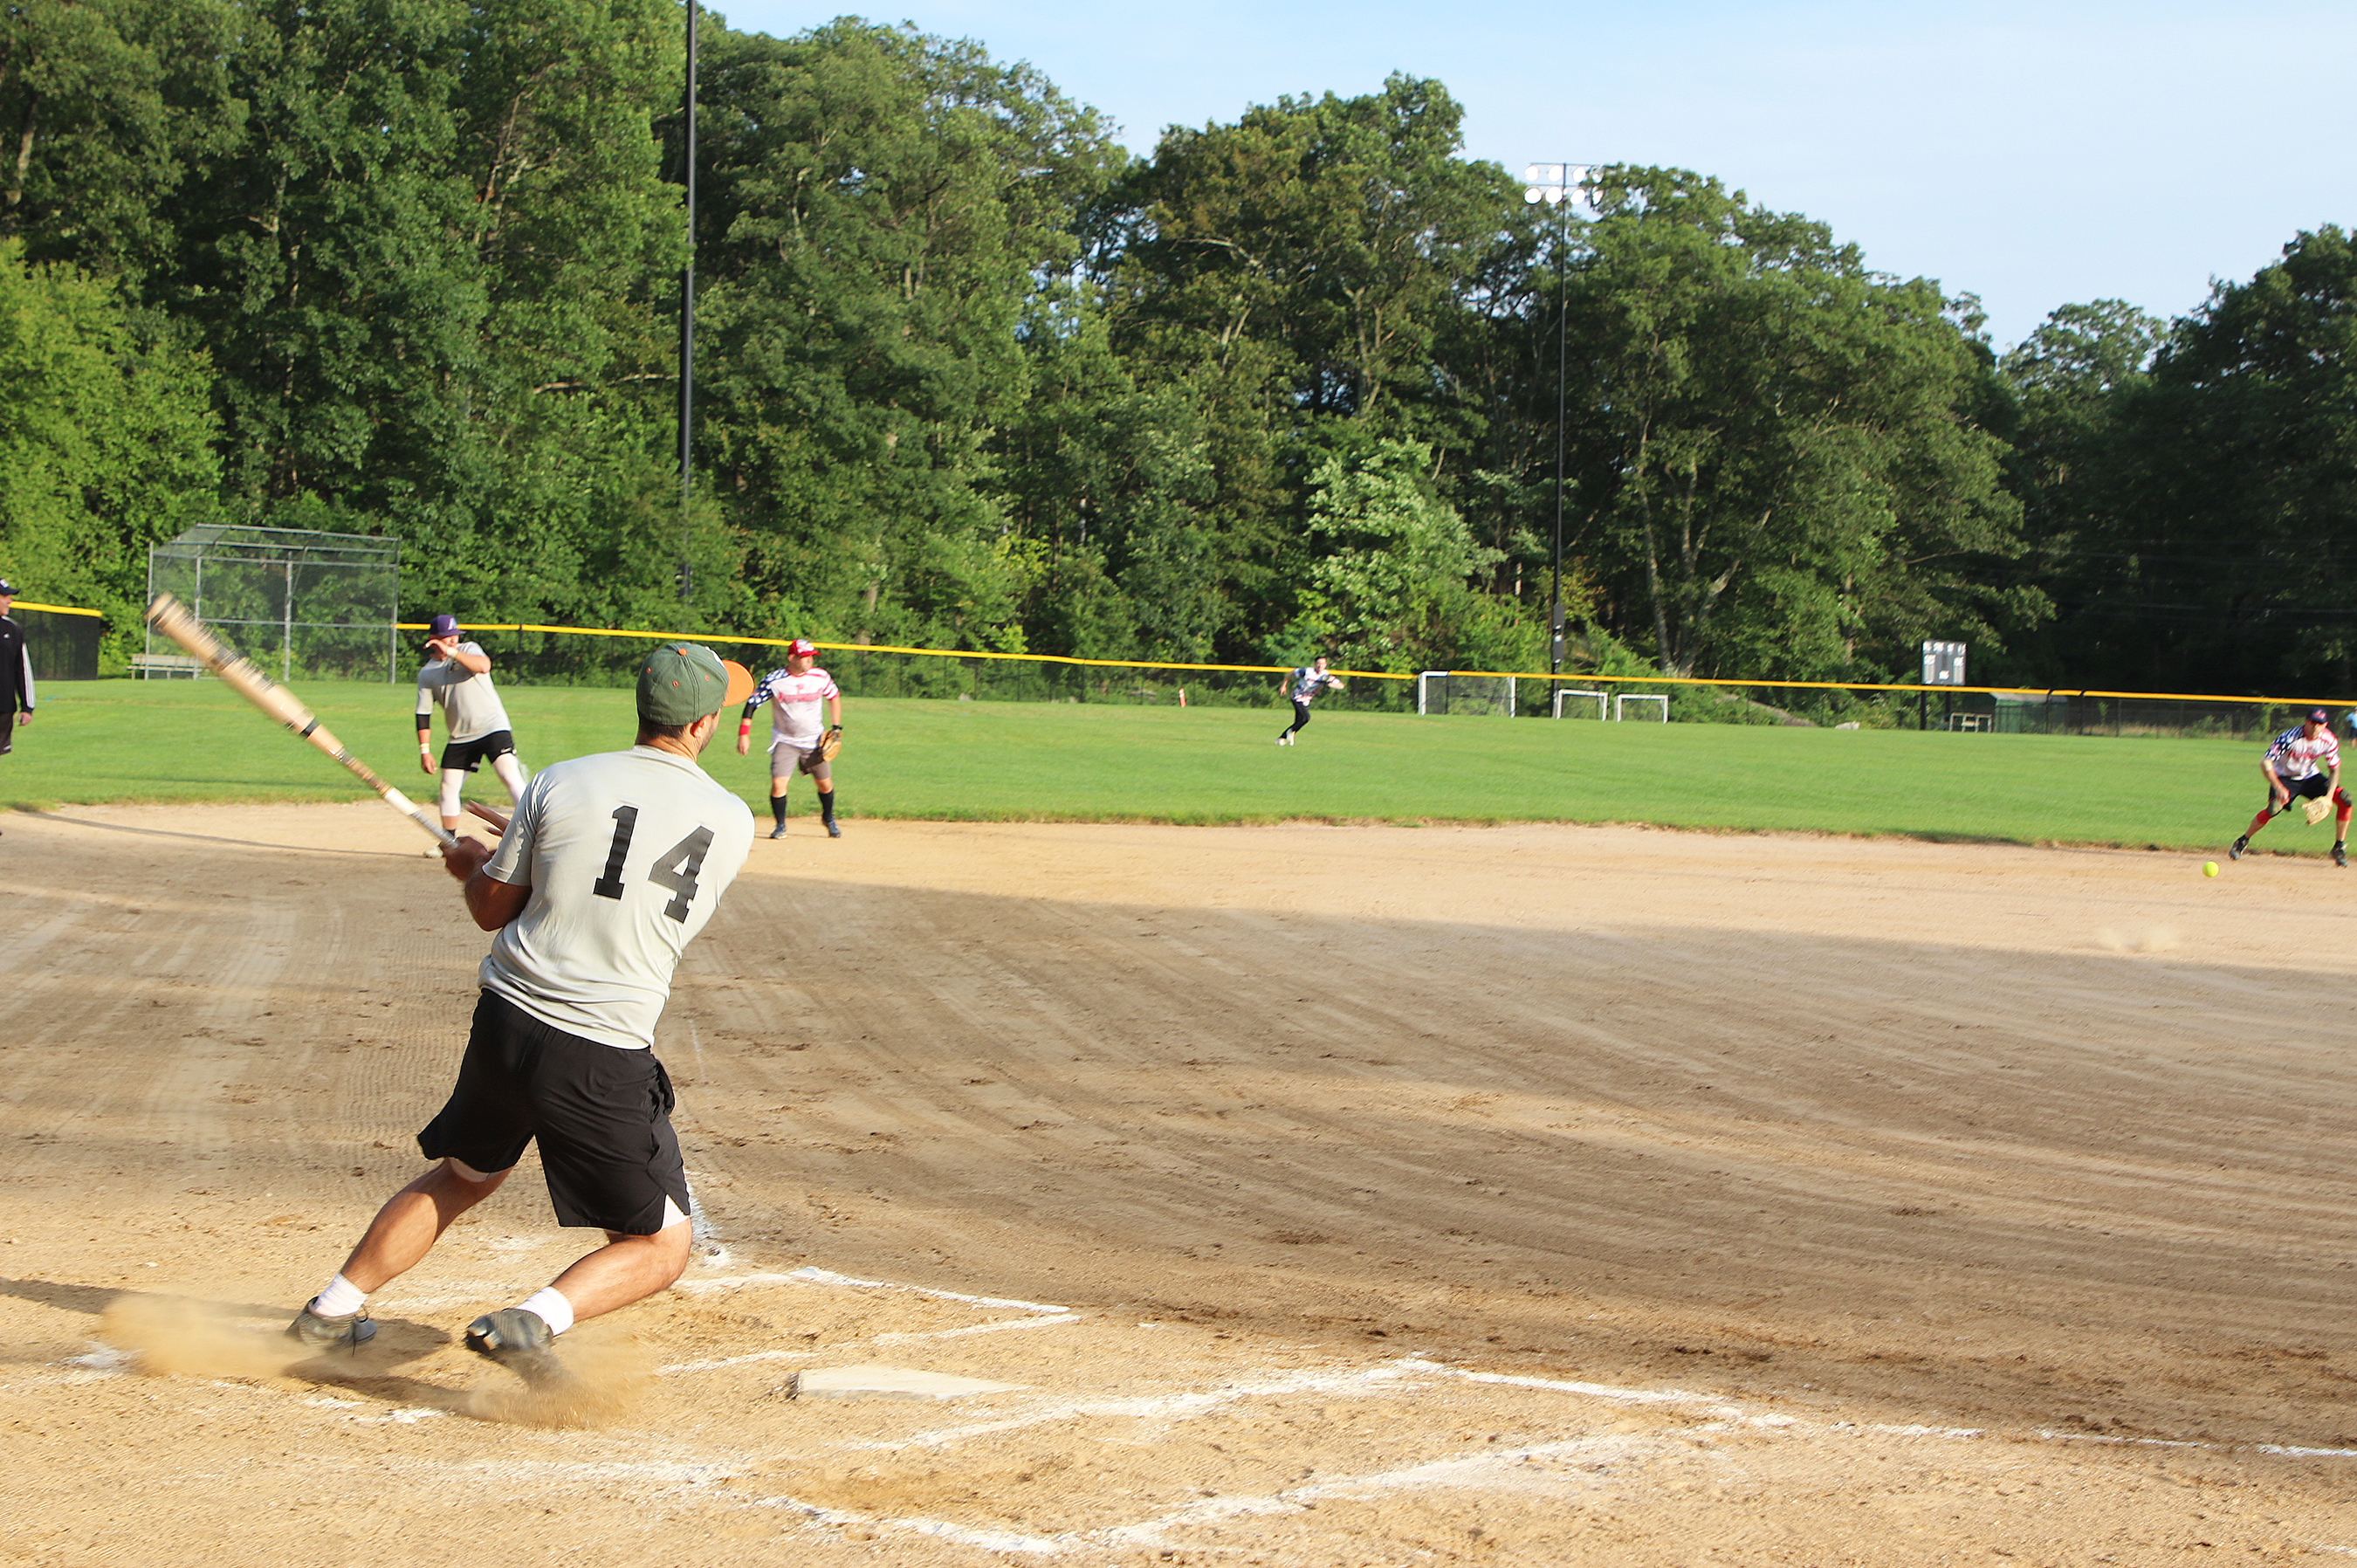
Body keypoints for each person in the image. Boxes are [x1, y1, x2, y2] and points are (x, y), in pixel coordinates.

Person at [285, 643, 757, 1386]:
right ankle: (532, 1323)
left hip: (506, 1023)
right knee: (661, 1244)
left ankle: (331, 1311)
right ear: (700, 727)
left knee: (466, 1175)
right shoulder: (733, 821)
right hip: (599, 1049)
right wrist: (532, 847)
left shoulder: (559, 783)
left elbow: (491, 910)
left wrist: (485, 862)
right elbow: (630, 874)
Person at [416, 613, 529, 834]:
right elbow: (423, 714)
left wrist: (451, 652)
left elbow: (483, 666)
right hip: (461, 736)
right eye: (447, 637)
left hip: (492, 726)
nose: (452, 640)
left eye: (455, 635)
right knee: (448, 787)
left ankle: (533, 829)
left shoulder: (468, 649)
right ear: (433, 638)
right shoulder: (427, 673)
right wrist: (425, 751)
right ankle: (449, 842)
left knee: (509, 775)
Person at [736, 637, 843, 838]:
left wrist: (836, 728)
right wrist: (744, 735)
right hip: (785, 741)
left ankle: (828, 818)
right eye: (804, 657)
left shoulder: (820, 676)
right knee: (778, 784)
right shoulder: (775, 680)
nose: (809, 660)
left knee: (825, 784)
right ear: (792, 657)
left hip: (814, 741)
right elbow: (752, 704)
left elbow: (834, 696)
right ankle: (780, 826)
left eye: (812, 656)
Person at [2230, 706, 2350, 867]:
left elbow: (2334, 770)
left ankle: (2338, 847)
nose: (2315, 726)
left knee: (2345, 800)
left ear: (2326, 724)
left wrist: (2329, 798)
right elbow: (2265, 763)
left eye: (2320, 723)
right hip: (2284, 778)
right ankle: (2243, 840)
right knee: (2274, 809)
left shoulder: (2329, 740)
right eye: (2312, 722)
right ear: (2306, 722)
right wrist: (2278, 787)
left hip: (2310, 777)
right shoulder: (2289, 738)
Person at [1275, 655, 1343, 746]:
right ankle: (1290, 732)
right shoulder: (1307, 671)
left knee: (1299, 721)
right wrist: (1283, 686)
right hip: (1297, 696)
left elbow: (1341, 686)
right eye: (1318, 663)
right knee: (1306, 718)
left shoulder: (1326, 675)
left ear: (1326, 664)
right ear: (1315, 664)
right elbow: (1290, 673)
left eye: (1323, 663)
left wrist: (1331, 685)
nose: (1320, 665)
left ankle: (1282, 737)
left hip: (1307, 699)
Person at [0, 580, 31, 763]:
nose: (10, 601)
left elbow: (23, 669)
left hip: (3, 709)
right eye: (5, 596)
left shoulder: (13, 629)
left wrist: (27, 707)